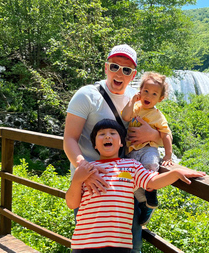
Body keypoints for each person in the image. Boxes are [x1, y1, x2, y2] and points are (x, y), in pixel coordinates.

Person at [63, 44, 161, 253]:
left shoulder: (138, 99)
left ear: (132, 74)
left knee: (130, 245)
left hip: (125, 186)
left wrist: (154, 136)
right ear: (106, 68)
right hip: (91, 187)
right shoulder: (87, 96)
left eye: (126, 70)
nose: (119, 73)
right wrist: (84, 171)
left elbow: (160, 130)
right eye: (115, 66)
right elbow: (69, 139)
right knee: (91, 244)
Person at [66, 119, 205, 252]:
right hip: (84, 242)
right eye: (101, 134)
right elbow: (72, 204)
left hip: (118, 243)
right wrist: (77, 180)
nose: (107, 136)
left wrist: (176, 173)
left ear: (121, 143)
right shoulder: (86, 170)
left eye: (113, 133)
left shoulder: (131, 166)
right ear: (95, 145)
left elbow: (152, 182)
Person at [121, 71, 172, 225]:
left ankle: (151, 191)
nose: (148, 96)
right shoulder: (135, 107)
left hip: (148, 148)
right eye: (146, 91)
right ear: (140, 91)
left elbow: (166, 134)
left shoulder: (158, 115)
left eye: (154, 94)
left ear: (160, 98)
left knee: (151, 164)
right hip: (131, 151)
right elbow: (125, 117)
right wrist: (132, 101)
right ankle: (146, 203)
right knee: (130, 179)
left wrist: (168, 155)